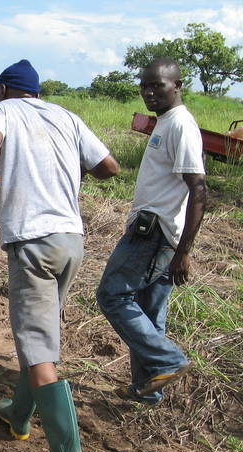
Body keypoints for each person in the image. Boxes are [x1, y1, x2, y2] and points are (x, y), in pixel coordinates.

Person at [0, 59, 120, 452]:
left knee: (39, 346)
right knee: (40, 333)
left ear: (6, 89)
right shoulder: (67, 116)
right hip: (71, 242)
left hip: (33, 244)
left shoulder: (2, 111)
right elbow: (109, 167)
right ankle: (19, 413)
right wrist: (64, 172)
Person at [96, 58, 207, 404]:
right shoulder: (166, 122)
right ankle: (147, 391)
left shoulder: (180, 125)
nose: (149, 92)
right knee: (149, 314)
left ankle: (168, 359)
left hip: (154, 233)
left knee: (112, 295)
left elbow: (198, 190)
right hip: (163, 234)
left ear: (177, 86)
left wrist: (184, 251)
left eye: (157, 85)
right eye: (144, 86)